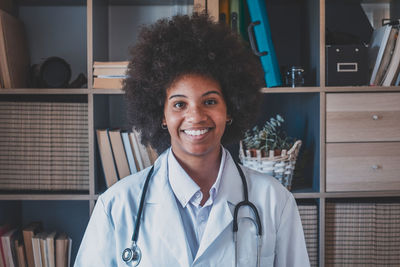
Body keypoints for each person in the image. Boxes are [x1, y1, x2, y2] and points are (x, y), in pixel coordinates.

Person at [75, 13, 310, 267]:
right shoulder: (117, 205)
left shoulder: (275, 201)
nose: (195, 116)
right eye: (179, 104)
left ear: (230, 109)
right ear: (161, 114)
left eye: (210, 101)